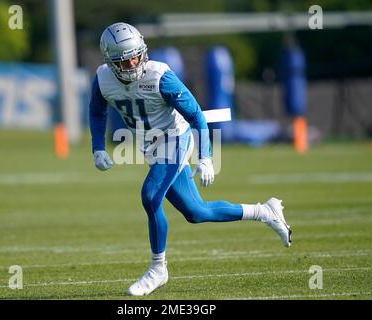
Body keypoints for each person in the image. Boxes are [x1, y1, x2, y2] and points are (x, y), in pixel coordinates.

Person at [89, 22, 292, 296]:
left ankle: (158, 269)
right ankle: (265, 212)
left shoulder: (160, 76)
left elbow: (196, 115)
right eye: (125, 61)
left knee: (150, 196)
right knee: (196, 212)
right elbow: (97, 111)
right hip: (151, 147)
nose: (134, 63)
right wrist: (98, 147)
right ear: (110, 62)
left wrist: (205, 157)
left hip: (175, 138)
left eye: (137, 55)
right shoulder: (103, 79)